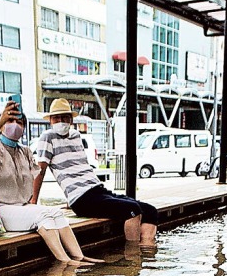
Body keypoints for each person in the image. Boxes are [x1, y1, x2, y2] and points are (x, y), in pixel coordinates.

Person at [0, 100, 102, 266]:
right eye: (10, 121)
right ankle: (65, 260)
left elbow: (36, 176)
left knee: (55, 213)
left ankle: (79, 256)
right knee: (42, 216)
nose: (15, 125)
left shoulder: (24, 151)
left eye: (19, 122)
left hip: (21, 207)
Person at [32, 98, 158, 249]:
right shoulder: (48, 137)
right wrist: (34, 202)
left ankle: (146, 248)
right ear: (50, 120)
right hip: (82, 198)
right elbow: (41, 170)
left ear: (71, 120)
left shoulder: (76, 136)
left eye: (65, 117)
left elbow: (79, 168)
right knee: (132, 210)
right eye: (56, 118)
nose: (61, 121)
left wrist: (67, 198)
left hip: (97, 189)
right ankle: (133, 258)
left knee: (151, 210)